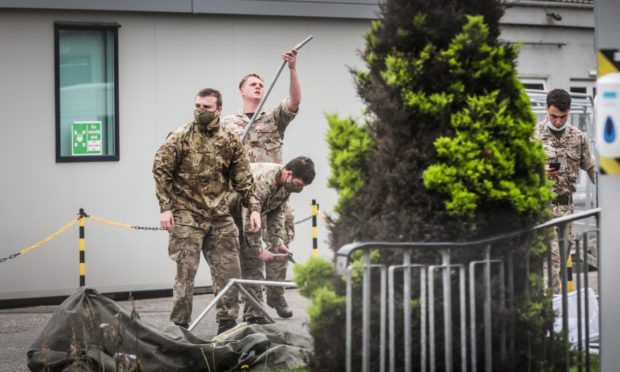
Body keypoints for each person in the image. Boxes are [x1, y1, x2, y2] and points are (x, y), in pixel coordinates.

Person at [153, 88, 261, 334]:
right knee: (185, 274)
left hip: (220, 217)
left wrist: (254, 208)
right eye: (198, 106)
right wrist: (165, 208)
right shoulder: (180, 136)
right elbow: (161, 171)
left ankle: (227, 324)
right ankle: (179, 327)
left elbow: (244, 178)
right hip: (187, 215)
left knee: (229, 272)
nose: (200, 111)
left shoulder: (230, 140)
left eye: (207, 107)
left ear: (219, 110)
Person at [221, 48, 301, 318]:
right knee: (250, 252)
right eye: (252, 84)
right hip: (246, 198)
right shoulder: (228, 124)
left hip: (275, 195)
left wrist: (291, 69)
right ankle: (254, 304)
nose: (258, 87)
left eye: (261, 85)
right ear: (242, 91)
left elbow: (294, 101)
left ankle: (277, 296)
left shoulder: (273, 117)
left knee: (279, 246)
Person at [225, 157, 315, 324]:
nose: (299, 188)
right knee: (251, 263)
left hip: (242, 214)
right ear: (288, 173)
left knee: (253, 262)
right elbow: (249, 222)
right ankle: (246, 317)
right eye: (298, 184)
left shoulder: (285, 184)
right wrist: (259, 250)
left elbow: (277, 212)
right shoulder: (261, 183)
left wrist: (276, 243)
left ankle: (254, 315)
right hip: (224, 214)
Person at [533, 88, 596, 292]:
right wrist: (540, 171)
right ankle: (550, 310)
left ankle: (550, 308)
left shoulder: (578, 137)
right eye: (553, 116)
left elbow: (591, 168)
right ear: (546, 110)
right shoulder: (534, 135)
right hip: (543, 207)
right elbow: (521, 170)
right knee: (551, 261)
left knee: (560, 258)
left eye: (563, 116)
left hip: (566, 208)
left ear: (568, 112)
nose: (558, 121)